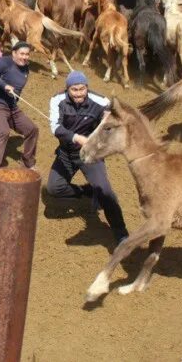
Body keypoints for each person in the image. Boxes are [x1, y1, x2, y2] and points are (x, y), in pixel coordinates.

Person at [46, 72, 130, 245]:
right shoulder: (57, 100)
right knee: (54, 188)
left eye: (82, 89)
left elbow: (117, 116)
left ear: (87, 87)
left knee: (105, 192)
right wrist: (77, 138)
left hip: (91, 155)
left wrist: (110, 116)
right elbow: (55, 128)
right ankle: (89, 192)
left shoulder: (100, 101)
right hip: (67, 152)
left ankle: (121, 233)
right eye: (74, 90)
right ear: (67, 89)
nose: (78, 93)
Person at [0, 41, 39, 177]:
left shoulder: (26, 68)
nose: (24, 57)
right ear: (14, 53)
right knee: (3, 131)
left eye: (27, 54)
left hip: (12, 107)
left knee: (32, 129)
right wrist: (4, 85)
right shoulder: (4, 62)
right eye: (21, 54)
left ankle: (27, 163)